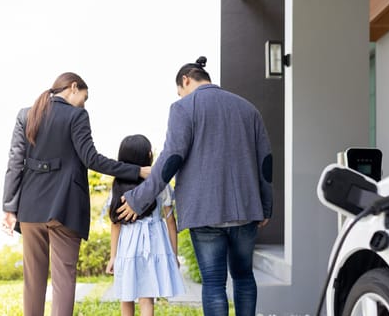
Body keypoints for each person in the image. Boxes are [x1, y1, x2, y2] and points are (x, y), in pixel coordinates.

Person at [116, 57, 273, 316]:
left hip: (205, 212)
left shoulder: (183, 109)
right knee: (244, 277)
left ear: (186, 80)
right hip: (246, 210)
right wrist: (265, 206)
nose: (180, 96)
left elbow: (170, 158)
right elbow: (265, 161)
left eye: (180, 90)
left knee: (213, 283)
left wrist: (139, 198)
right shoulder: (248, 109)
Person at [1, 72, 150, 316]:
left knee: (33, 281)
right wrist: (137, 171)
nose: (84, 102)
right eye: (84, 97)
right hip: (65, 208)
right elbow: (92, 159)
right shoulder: (77, 115)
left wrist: (9, 207)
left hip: (30, 210)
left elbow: (15, 163)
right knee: (64, 281)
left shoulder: (25, 114)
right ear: (73, 88)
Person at [105, 134, 185, 316]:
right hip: (154, 241)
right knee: (146, 295)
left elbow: (115, 224)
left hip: (127, 245)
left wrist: (113, 257)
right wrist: (173, 254)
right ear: (149, 155)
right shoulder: (160, 184)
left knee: (126, 294)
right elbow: (170, 221)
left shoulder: (117, 186)